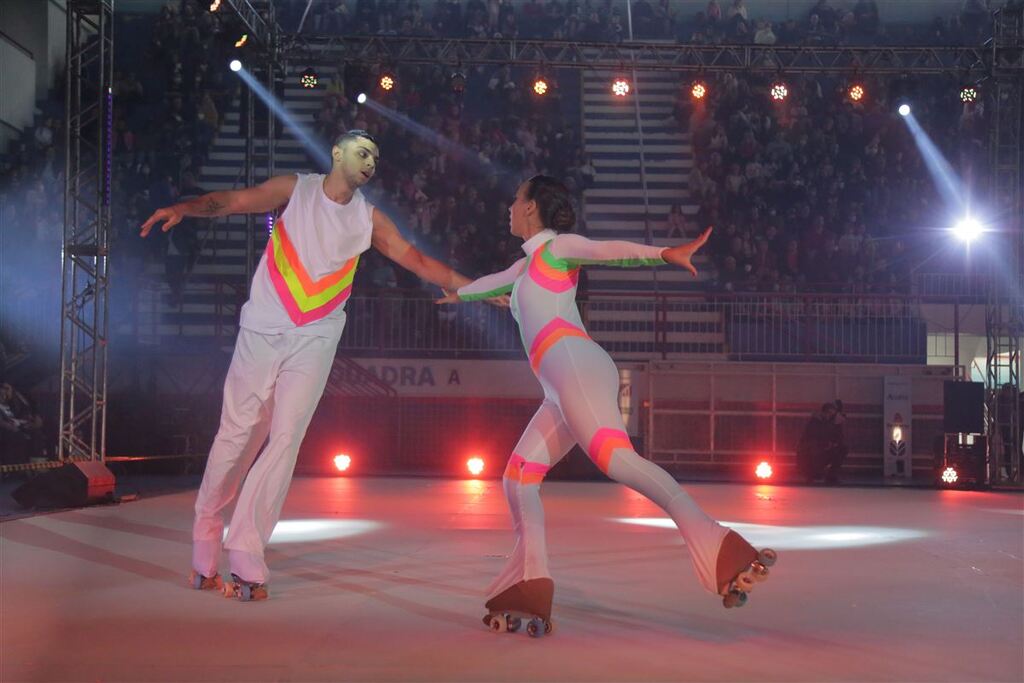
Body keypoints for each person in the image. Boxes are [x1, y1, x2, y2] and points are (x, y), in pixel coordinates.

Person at [140, 130, 495, 601]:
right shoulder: (296, 188)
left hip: (316, 337)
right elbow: (236, 200)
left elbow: (417, 260)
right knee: (237, 434)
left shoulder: (370, 219)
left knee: (285, 440)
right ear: (336, 153)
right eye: (362, 152)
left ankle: (246, 552)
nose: (370, 162)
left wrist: (474, 289)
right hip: (262, 330)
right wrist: (185, 207)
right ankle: (205, 538)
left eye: (375, 157)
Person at [438, 176, 775, 632]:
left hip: (573, 362)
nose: (509, 207)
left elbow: (608, 250)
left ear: (533, 207)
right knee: (518, 477)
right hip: (559, 382)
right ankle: (530, 581)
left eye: (516, 200)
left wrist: (663, 254)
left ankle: (722, 545)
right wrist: (457, 293)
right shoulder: (522, 271)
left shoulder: (559, 248)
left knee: (617, 461)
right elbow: (483, 285)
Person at [796, 400, 847, 484]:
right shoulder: (815, 422)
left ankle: (830, 476)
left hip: (821, 452)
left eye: (832, 414)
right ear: (823, 412)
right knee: (814, 449)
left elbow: (839, 439)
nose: (830, 415)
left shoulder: (831, 423)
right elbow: (817, 436)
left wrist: (838, 426)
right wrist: (834, 425)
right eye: (828, 413)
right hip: (810, 456)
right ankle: (812, 473)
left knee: (842, 449)